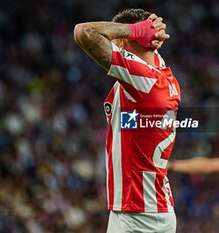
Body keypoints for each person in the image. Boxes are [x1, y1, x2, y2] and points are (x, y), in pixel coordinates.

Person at [74, 9, 181, 233]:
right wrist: (153, 31)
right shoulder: (162, 75)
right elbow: (132, 127)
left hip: (137, 215)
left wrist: (133, 30)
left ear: (123, 41)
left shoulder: (143, 80)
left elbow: (84, 32)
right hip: (158, 208)